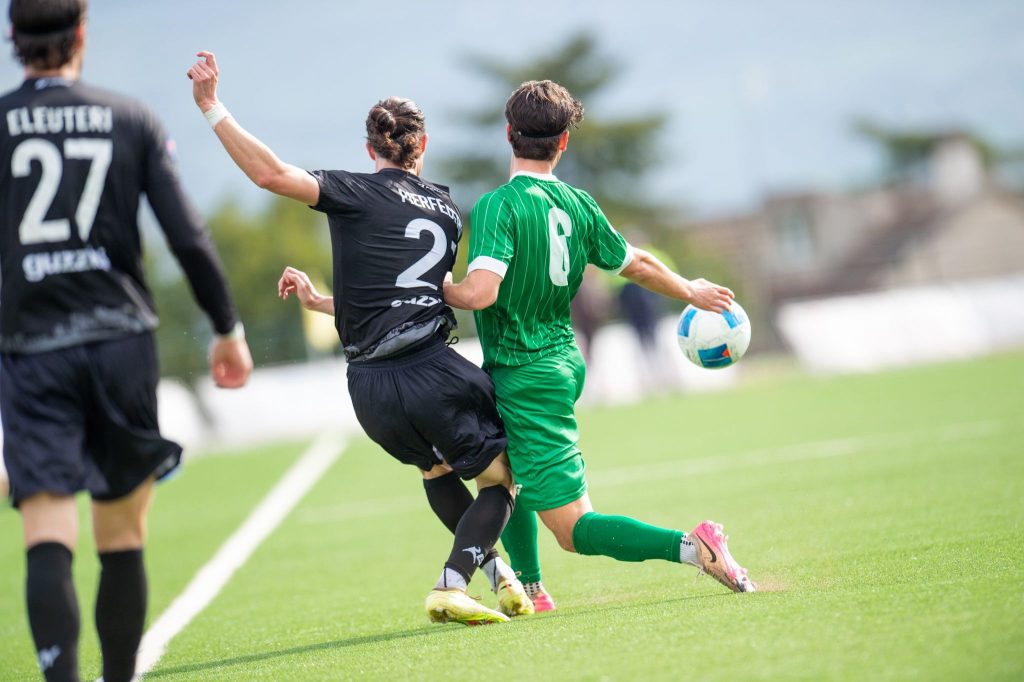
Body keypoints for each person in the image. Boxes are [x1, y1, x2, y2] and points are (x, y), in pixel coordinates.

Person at [186, 51, 532, 626]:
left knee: (435, 470)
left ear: (370, 149)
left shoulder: (352, 192)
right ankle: (452, 584)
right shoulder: (448, 211)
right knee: (503, 478)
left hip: (369, 387)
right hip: (431, 370)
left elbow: (269, 174)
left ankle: (500, 577)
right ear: (422, 146)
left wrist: (211, 106)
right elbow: (418, 291)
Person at [1, 2, 254, 681]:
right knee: (120, 533)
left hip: (32, 348)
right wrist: (226, 328)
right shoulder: (128, 117)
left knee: (47, 531)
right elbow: (188, 239)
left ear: (13, 38)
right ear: (81, 33)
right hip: (121, 343)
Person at [444, 80, 756, 608]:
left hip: (528, 373)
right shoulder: (579, 204)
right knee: (501, 474)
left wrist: (434, 288)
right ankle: (532, 589)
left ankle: (693, 547)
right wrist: (689, 289)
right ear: (563, 142)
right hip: (556, 360)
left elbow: (479, 294)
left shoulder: (498, 206)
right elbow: (635, 262)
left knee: (573, 529)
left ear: (508, 134)